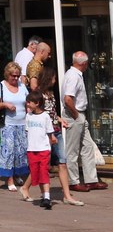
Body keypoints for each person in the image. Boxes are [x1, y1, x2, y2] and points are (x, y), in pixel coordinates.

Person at [21, 66, 83, 206]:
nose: (55, 80)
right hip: (46, 134)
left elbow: (52, 112)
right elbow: (37, 114)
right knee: (41, 165)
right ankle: (29, 188)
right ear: (48, 78)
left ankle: (66, 195)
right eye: (54, 78)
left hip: (56, 130)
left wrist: (59, 119)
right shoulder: (38, 95)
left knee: (62, 161)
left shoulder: (50, 93)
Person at [63, 50, 108, 192]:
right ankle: (73, 181)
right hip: (74, 114)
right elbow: (68, 99)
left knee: (87, 146)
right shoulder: (73, 76)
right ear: (84, 64)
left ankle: (91, 180)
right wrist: (76, 115)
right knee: (73, 150)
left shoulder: (75, 74)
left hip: (79, 114)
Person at [0, 60, 29, 190]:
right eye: (13, 76)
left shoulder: (22, 86)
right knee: (9, 151)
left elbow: (27, 102)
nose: (16, 78)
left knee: (20, 151)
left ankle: (17, 173)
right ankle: (9, 178)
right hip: (8, 124)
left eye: (18, 76)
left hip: (22, 124)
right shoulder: (0, 86)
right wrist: (5, 104)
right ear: (7, 74)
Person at [22, 89, 56, 209]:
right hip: (32, 149)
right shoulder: (28, 116)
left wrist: (52, 140)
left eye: (29, 102)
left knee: (44, 172)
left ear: (37, 103)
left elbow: (50, 132)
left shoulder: (45, 116)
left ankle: (47, 197)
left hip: (43, 149)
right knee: (35, 173)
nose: (27, 104)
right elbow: (27, 132)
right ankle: (44, 196)